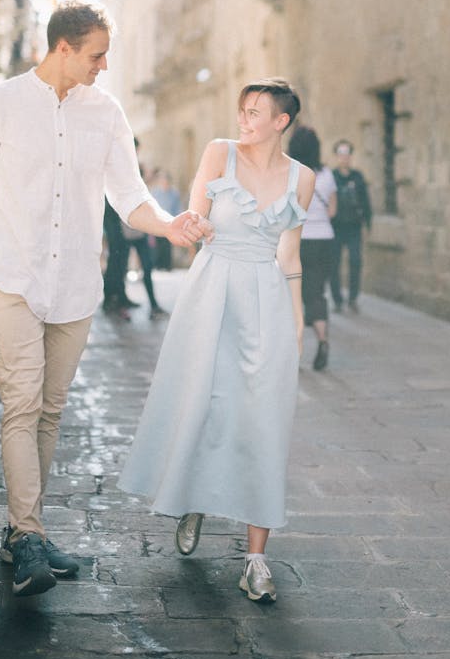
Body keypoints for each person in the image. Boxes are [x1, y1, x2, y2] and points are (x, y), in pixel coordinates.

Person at [0, 0, 208, 598]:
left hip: (76, 285)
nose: (105, 66)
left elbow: (129, 197)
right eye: (97, 54)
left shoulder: (105, 113)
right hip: (14, 277)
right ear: (63, 47)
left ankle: (18, 533)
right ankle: (30, 533)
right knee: (21, 406)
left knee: (50, 412)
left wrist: (170, 225)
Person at [119, 78, 314, 603]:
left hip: (266, 299)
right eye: (241, 111)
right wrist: (193, 224)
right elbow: (194, 214)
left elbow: (289, 256)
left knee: (264, 418)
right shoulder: (219, 154)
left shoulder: (302, 178)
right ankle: (193, 500)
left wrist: (296, 321)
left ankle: (256, 560)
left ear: (281, 121)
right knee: (203, 403)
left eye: (256, 113)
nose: (244, 120)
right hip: (210, 294)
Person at [287, 125, 336, 372]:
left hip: (298, 241)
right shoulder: (327, 174)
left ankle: (295, 353)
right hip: (325, 240)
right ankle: (323, 341)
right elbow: (332, 211)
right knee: (316, 293)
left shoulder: (289, 174)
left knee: (293, 295)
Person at [329, 139, 372, 313]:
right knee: (334, 264)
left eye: (347, 154)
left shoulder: (358, 177)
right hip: (336, 228)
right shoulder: (331, 177)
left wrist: (368, 224)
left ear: (350, 156)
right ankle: (337, 300)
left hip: (354, 227)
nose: (344, 158)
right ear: (337, 156)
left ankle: (353, 298)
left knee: (355, 261)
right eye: (341, 154)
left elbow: (365, 201)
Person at [150, 170, 181, 270]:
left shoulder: (174, 193)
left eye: (166, 181)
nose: (164, 183)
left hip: (171, 221)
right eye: (162, 181)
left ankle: (167, 265)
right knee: (158, 244)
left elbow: (177, 208)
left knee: (167, 244)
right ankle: (158, 265)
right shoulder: (155, 193)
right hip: (158, 222)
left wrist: (178, 219)